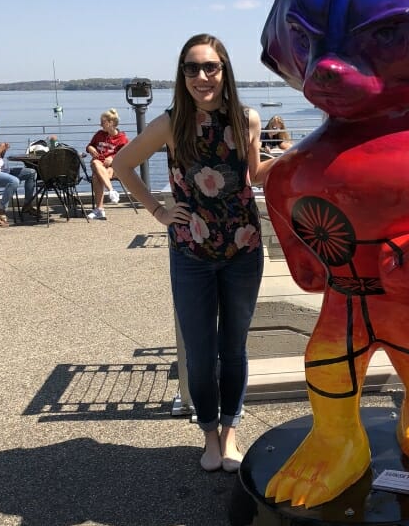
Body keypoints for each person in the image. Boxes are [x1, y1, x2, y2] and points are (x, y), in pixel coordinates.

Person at [113, 34, 275, 473]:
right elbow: (122, 165)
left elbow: (256, 174)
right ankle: (208, 434)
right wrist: (158, 211)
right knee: (201, 352)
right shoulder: (171, 124)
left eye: (210, 68)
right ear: (181, 74)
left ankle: (230, 433)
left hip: (243, 247)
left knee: (235, 347)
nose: (201, 77)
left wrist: (300, 156)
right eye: (191, 68)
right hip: (191, 252)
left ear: (225, 71)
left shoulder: (246, 119)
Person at [0, 115, 38, 225]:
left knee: (31, 172)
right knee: (13, 181)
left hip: (0, 170)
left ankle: (27, 205)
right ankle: (1, 211)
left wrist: (3, 151)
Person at [85, 108, 129, 220]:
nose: (100, 124)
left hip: (114, 169)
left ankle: (99, 209)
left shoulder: (122, 138)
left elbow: (126, 155)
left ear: (111, 123)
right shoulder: (99, 134)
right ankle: (111, 191)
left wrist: (113, 158)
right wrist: (90, 148)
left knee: (96, 177)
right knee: (95, 162)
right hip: (99, 164)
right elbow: (90, 145)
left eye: (103, 122)